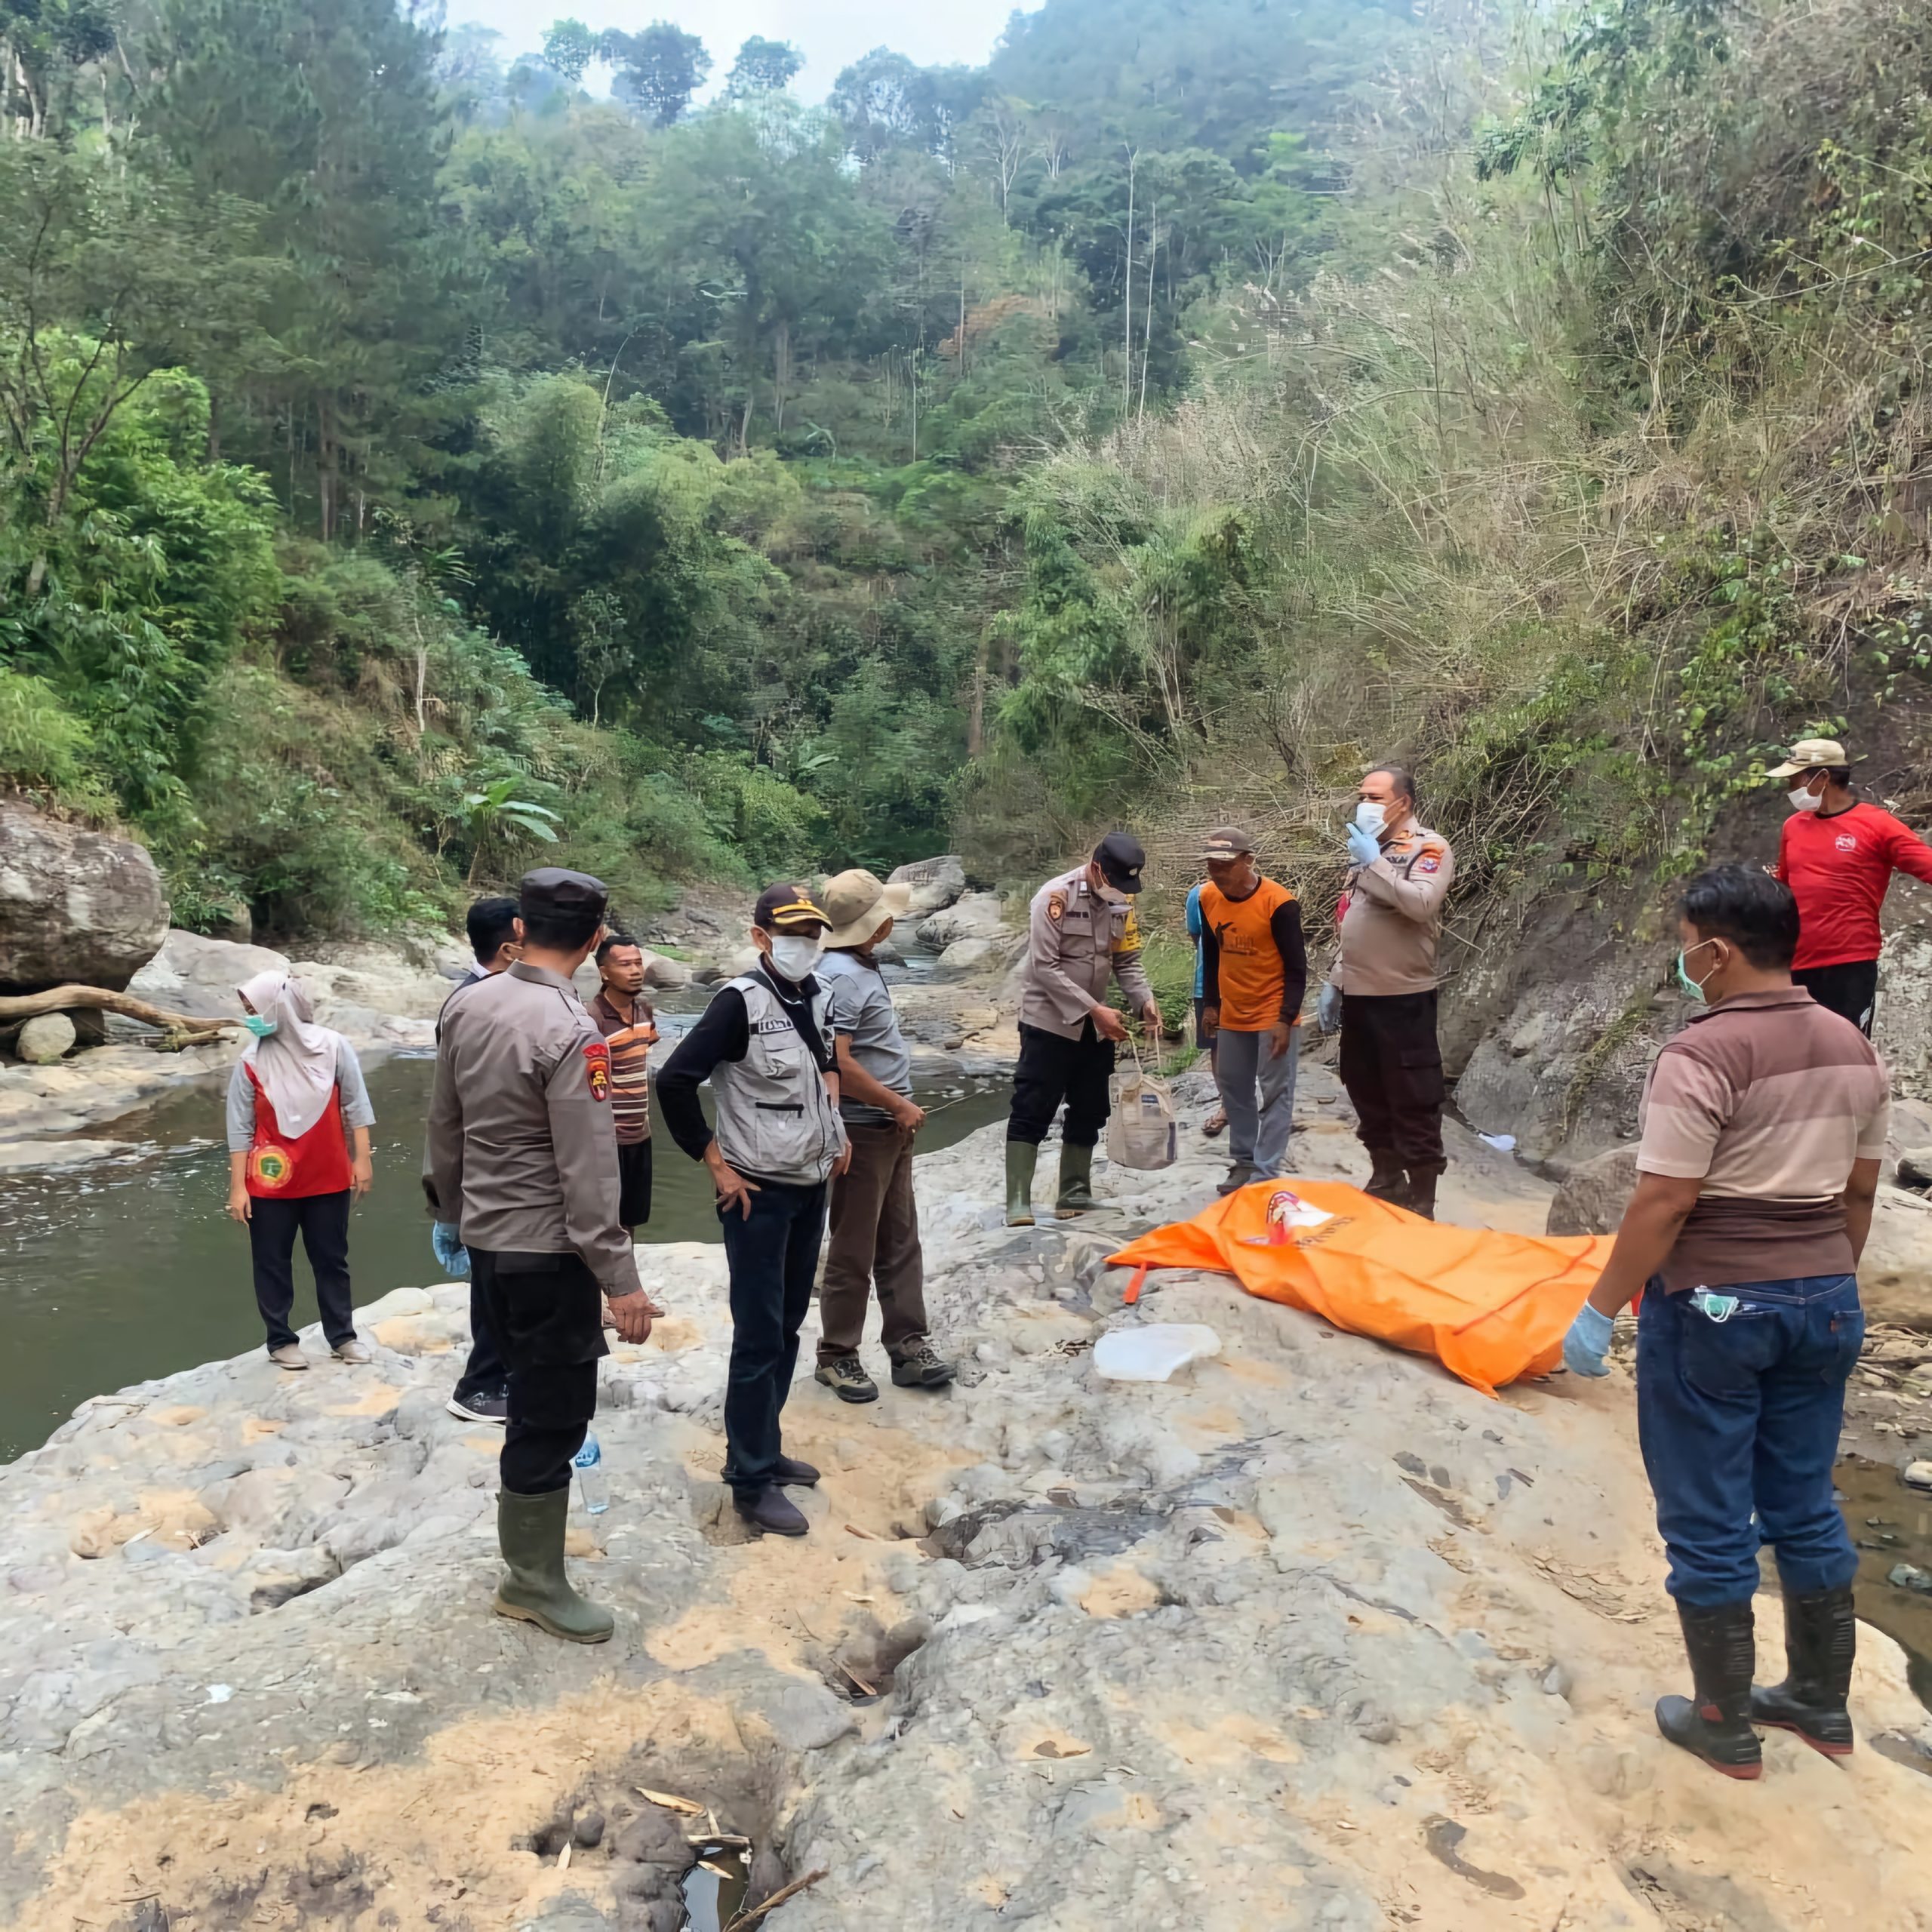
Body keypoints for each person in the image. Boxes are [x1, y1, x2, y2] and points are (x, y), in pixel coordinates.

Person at [1563, 866, 1887, 1779]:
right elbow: (1859, 1189)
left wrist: (1597, 1310)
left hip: (1713, 1305)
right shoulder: (1851, 1046)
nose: (1684, 959)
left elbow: (1665, 1198)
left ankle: (1722, 1721)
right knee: (1804, 1502)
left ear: (1717, 948)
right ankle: (1820, 1704)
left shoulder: (1700, 1054)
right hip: (1823, 1296)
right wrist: (1822, 1280)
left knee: (1708, 1515)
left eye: (1686, 941)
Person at [426, 867, 655, 1644]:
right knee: (549, 1416)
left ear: (519, 929)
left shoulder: (468, 1004)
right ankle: (532, 1581)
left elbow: (444, 1123)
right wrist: (619, 1282)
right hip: (547, 1252)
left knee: (524, 1399)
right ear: (595, 942)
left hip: (489, 1243)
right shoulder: (572, 1034)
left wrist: (451, 1214)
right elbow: (588, 1175)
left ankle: (532, 1568)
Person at [657, 884, 851, 1537]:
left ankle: (765, 1447)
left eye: (813, 933)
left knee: (791, 1323)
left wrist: (837, 1129)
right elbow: (675, 1080)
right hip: (757, 1193)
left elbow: (826, 1065)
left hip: (809, 1182)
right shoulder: (736, 1004)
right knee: (758, 1332)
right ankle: (748, 1480)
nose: (805, 944)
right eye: (792, 932)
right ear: (762, 936)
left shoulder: (818, 994)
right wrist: (716, 1163)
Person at [814, 869, 955, 1404]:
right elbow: (839, 1061)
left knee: (899, 1238)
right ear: (876, 926)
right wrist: (896, 1102)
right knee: (854, 1245)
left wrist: (898, 1109)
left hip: (888, 1125)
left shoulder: (859, 965)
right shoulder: (844, 977)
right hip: (864, 1126)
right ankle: (838, 1355)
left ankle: (907, 1344)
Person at [1315, 766, 1455, 1219]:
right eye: (1362, 796)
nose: (1366, 804)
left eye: (1375, 797)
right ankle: (1385, 1175)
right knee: (1364, 1086)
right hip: (1358, 994)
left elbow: (1420, 904)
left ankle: (1423, 1194)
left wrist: (1374, 860)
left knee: (1412, 1094)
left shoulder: (1429, 847)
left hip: (1403, 996)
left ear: (1403, 803)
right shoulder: (1361, 853)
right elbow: (1350, 925)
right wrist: (1334, 983)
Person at [1005, 832, 1163, 1226]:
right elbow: (1044, 966)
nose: (1120, 891)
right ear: (1096, 869)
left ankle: (1074, 1194)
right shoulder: (1054, 898)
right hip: (1049, 1022)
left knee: (1091, 1107)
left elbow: (1127, 960)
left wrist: (1144, 1000)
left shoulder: (1121, 902)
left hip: (1096, 1027)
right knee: (1032, 1106)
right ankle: (1018, 1202)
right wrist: (1095, 1010)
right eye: (1114, 881)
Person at [226, 971, 377, 1370]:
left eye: (254, 1009)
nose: (250, 1018)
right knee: (271, 1261)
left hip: (328, 1174)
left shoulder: (333, 1047)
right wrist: (237, 1188)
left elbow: (356, 1105)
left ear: (280, 1007)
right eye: (246, 1011)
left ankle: (342, 1336)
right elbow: (239, 1129)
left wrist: (362, 1159)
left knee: (332, 1258)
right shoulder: (250, 1061)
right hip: (269, 1182)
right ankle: (280, 1340)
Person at [1767, 735, 1932, 1035]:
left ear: (1823, 777)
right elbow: (1784, 890)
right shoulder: (1793, 827)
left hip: (1850, 965)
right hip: (1795, 965)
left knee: (1846, 1061)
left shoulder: (1878, 826)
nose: (1789, 788)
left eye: (1794, 779)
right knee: (1795, 1060)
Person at [433, 894, 524, 1425]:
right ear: (514, 937)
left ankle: (501, 1377)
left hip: (489, 1167)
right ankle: (479, 1387)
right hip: (484, 1169)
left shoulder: (483, 998)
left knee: (504, 1280)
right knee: (493, 1282)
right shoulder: (472, 1004)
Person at [1196, 828, 1307, 1194]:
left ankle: (1265, 1172)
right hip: (1233, 1009)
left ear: (1248, 861)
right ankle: (1243, 1162)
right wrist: (1212, 1004)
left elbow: (1296, 968)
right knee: (1233, 1086)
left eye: (1225, 864)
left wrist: (1285, 1019)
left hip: (1272, 1010)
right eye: (1211, 863)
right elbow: (1211, 951)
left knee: (1276, 1093)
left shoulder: (1279, 903)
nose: (1216, 871)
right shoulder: (1207, 896)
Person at [589, 934, 658, 1235]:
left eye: (638, 963)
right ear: (604, 972)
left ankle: (624, 1282)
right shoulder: (592, 1018)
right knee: (604, 1221)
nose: (635, 971)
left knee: (630, 1217)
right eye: (625, 964)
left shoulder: (644, 1010)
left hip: (639, 1135)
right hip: (605, 1139)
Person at [1185, 879, 1227, 1140]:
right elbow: (1196, 935)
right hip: (1207, 985)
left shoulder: (1256, 893)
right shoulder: (1198, 894)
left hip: (1245, 985)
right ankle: (1227, 1106)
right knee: (1217, 1046)